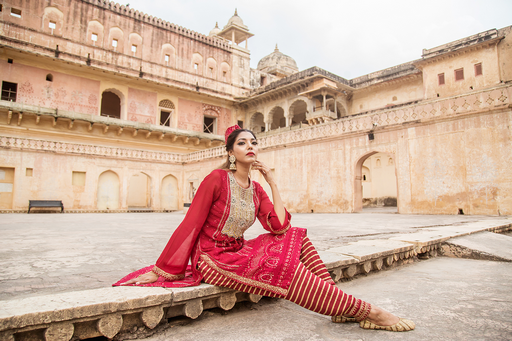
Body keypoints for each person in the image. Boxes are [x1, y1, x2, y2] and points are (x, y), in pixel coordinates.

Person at [114, 125, 415, 332]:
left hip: (239, 250)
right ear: (231, 152)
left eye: (254, 142)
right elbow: (190, 224)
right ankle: (369, 312)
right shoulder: (215, 180)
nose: (250, 147)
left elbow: (280, 225)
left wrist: (272, 181)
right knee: (286, 269)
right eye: (242, 143)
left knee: (298, 239)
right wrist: (165, 268)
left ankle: (336, 303)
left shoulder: (256, 188)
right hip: (215, 259)